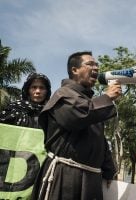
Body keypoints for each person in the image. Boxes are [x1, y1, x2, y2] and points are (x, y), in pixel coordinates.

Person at [31, 51, 122, 200]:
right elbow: (79, 117)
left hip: (91, 179)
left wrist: (109, 170)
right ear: (74, 70)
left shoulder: (90, 103)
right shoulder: (63, 95)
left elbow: (99, 140)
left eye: (97, 65)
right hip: (65, 176)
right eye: (90, 64)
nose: (96, 68)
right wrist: (107, 98)